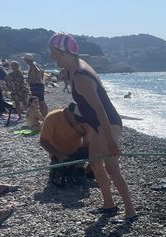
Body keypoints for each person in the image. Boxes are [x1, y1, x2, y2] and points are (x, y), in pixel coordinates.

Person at [49, 32, 136, 219]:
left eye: (53, 52)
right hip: (97, 124)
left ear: (64, 52)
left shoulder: (81, 76)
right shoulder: (72, 69)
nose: (51, 56)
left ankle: (130, 210)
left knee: (112, 168)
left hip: (108, 123)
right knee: (96, 164)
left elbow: (100, 110)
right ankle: (109, 204)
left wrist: (111, 141)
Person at [39, 103, 89, 186]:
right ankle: (58, 168)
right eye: (76, 118)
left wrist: (82, 160)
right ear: (68, 111)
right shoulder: (53, 117)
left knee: (81, 181)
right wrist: (60, 155)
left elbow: (88, 141)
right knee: (59, 181)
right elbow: (43, 141)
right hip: (57, 153)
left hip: (76, 153)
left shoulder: (83, 121)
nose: (78, 120)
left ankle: (79, 169)